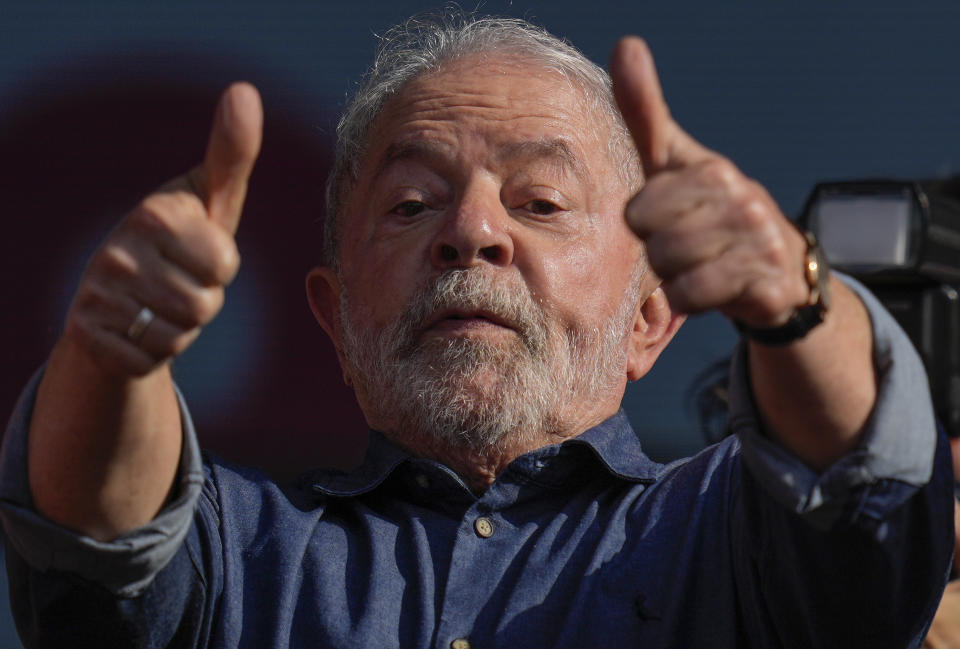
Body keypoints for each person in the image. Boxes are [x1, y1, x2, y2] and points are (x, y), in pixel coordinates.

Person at [0, 12, 953, 648]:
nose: (472, 232)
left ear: (651, 317)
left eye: (539, 201)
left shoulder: (732, 534)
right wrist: (110, 354)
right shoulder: (246, 559)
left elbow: (856, 487)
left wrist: (794, 303)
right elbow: (99, 542)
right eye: (413, 204)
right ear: (334, 321)